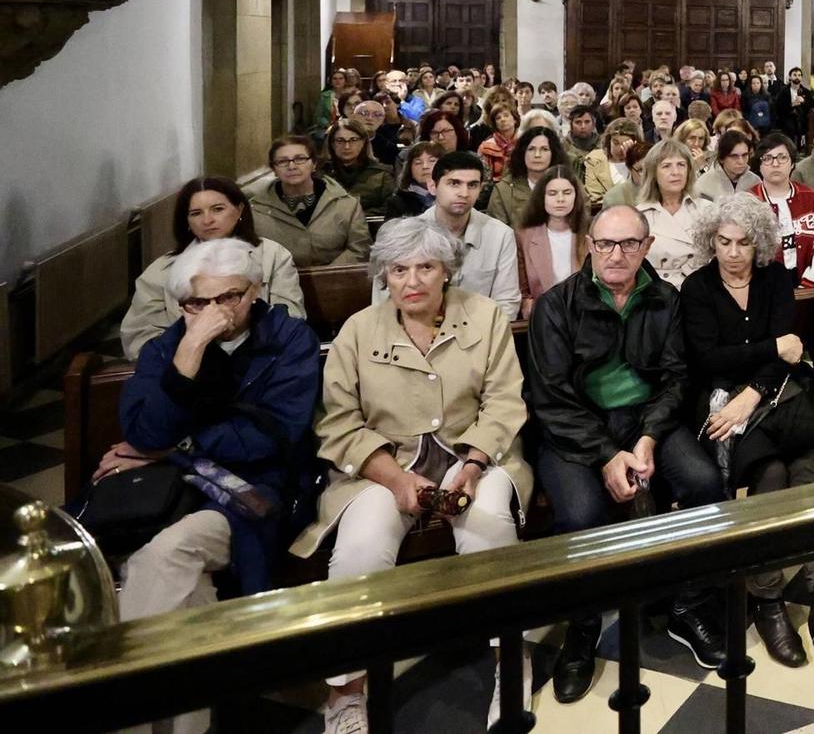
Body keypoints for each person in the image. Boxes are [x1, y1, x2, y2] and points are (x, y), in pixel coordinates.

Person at [296, 217, 532, 734]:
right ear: (384, 274)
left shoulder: (485, 316)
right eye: (399, 269)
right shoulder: (358, 330)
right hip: (384, 467)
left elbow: (503, 402)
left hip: (475, 456)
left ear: (447, 270)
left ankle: (510, 665)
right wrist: (396, 480)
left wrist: (471, 467)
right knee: (362, 544)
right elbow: (338, 423)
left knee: (489, 522)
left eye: (426, 267)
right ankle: (345, 690)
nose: (413, 280)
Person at [529, 205, 729, 694]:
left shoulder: (665, 298)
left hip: (646, 421)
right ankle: (583, 626)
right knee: (581, 514)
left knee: (705, 482)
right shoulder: (556, 306)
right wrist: (607, 455)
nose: (616, 255)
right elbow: (551, 399)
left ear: (647, 247)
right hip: (577, 429)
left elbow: (677, 378)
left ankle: (688, 603)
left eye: (629, 244)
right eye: (605, 244)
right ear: (589, 246)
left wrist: (646, 439)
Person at [109, 240, 319, 648]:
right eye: (197, 303)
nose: (215, 312)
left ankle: (127, 694)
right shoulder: (168, 348)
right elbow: (144, 432)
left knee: (165, 555)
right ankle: (185, 701)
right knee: (179, 584)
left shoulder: (289, 340)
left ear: (254, 290)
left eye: (228, 296)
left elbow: (270, 438)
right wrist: (188, 353)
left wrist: (174, 448)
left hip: (255, 491)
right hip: (171, 490)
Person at [681, 195, 814, 664]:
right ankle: (770, 601)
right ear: (710, 242)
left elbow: (790, 354)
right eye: (723, 241)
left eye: (744, 243)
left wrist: (753, 391)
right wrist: (771, 349)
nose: (733, 253)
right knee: (774, 473)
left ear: (761, 245)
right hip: (720, 404)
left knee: (806, 468)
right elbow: (709, 358)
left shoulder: (775, 278)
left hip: (773, 399)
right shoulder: (697, 287)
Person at [122, 178, 306, 359]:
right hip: (188, 367)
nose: (207, 220)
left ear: (239, 209)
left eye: (218, 209)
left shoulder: (272, 255)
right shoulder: (161, 271)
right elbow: (139, 338)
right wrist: (194, 346)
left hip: (260, 360)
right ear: (186, 220)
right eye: (196, 213)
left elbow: (291, 317)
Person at [372, 152, 521, 320]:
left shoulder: (500, 235)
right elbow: (382, 303)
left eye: (472, 185)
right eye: (454, 183)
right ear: (432, 186)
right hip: (413, 335)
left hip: (479, 337)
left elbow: (506, 303)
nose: (464, 193)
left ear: (480, 189)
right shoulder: (400, 237)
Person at [247, 136, 370, 269]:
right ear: (274, 169)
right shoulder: (256, 209)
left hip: (334, 281)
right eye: (282, 161)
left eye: (300, 159)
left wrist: (326, 275)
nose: (292, 166)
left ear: (314, 164)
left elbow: (359, 248)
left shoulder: (346, 204)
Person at [750, 134, 814, 290]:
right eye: (768, 158)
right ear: (759, 165)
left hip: (807, 283)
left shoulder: (812, 199)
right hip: (760, 290)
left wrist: (811, 281)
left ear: (792, 164)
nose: (775, 164)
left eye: (782, 157)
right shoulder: (747, 202)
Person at [634, 138, 711, 289]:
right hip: (655, 293)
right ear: (653, 173)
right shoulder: (637, 217)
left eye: (681, 165)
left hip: (700, 290)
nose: (675, 172)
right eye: (666, 166)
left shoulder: (708, 210)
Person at [516, 165, 588, 315]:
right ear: (542, 197)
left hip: (585, 315)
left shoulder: (592, 233)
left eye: (567, 193)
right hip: (543, 317)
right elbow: (523, 292)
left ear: (576, 196)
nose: (560, 199)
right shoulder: (524, 236)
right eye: (552, 193)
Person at [487, 124, 562, 229]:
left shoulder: (570, 185)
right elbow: (497, 233)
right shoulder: (504, 190)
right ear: (522, 152)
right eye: (531, 149)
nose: (537, 155)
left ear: (554, 153)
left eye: (544, 149)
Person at [321, 120, 394, 219]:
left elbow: (390, 207)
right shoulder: (320, 174)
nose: (347, 146)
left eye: (353, 140)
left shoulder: (382, 174)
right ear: (332, 144)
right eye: (340, 140)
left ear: (363, 142)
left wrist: (356, 216)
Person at [586, 119, 645, 208]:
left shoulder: (643, 162)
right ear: (609, 141)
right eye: (616, 143)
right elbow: (595, 196)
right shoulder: (594, 160)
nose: (619, 149)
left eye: (625, 144)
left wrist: (632, 159)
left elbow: (642, 189)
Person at [694, 128, 758, 203]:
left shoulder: (755, 182)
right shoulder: (704, 183)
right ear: (721, 158)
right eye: (734, 156)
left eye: (745, 155)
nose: (741, 161)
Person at [385, 141, 443, 220]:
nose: (425, 166)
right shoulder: (397, 203)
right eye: (418, 163)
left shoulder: (454, 196)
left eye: (432, 161)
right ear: (410, 170)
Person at [476, 100, 520, 179]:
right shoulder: (486, 147)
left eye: (506, 115)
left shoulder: (525, 142)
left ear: (515, 119)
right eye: (498, 118)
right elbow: (484, 177)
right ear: (495, 124)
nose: (502, 119)